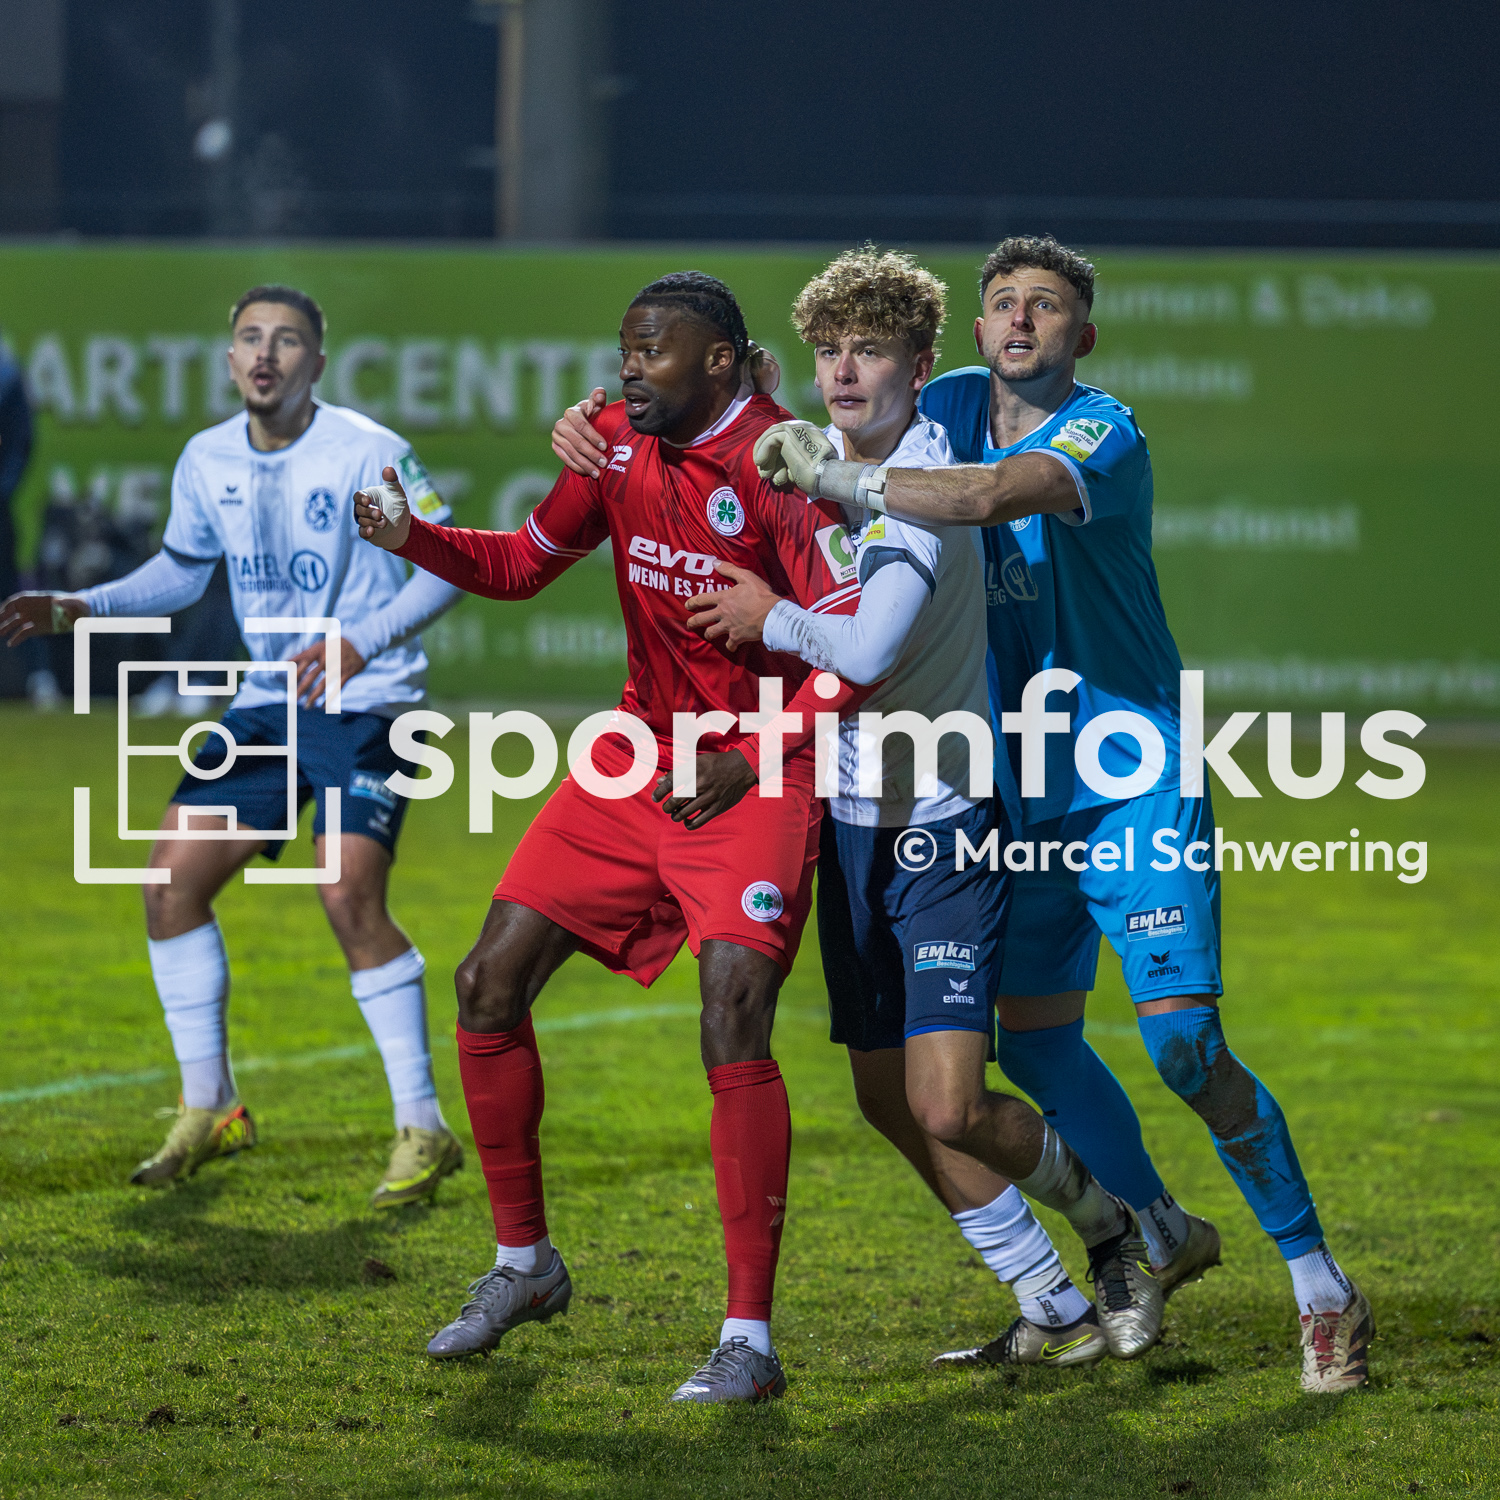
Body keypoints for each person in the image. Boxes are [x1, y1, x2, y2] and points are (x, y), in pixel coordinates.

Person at [750, 236, 1373, 1395]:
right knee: (1033, 1043)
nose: (1021, 319)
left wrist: (835, 480)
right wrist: (623, 425)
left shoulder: (1102, 431)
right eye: (1002, 303)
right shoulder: (942, 401)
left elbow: (986, 496)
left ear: (1082, 335)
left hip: (1129, 773)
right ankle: (1157, 1232)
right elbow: (828, 396)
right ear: (977, 329)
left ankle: (1320, 1286)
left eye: (1046, 305)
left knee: (1185, 1047)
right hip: (1010, 786)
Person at [0, 284, 467, 1211]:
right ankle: (210, 1105)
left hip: (368, 702)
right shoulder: (206, 457)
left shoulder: (367, 451)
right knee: (168, 887)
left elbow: (447, 560)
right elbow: (182, 571)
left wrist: (361, 641)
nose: (265, 354)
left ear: (316, 363)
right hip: (266, 701)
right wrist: (85, 605)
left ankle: (424, 1125)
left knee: (347, 893)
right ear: (230, 360)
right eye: (251, 338)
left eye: (286, 340)